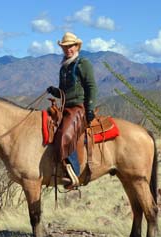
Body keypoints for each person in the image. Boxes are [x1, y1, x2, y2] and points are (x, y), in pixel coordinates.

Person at [47, 32, 98, 188]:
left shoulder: (82, 63)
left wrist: (89, 108)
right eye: (65, 47)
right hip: (65, 107)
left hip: (78, 108)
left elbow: (91, 86)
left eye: (71, 46)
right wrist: (54, 91)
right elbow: (64, 91)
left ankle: (74, 173)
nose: (68, 49)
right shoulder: (65, 66)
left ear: (77, 46)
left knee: (64, 135)